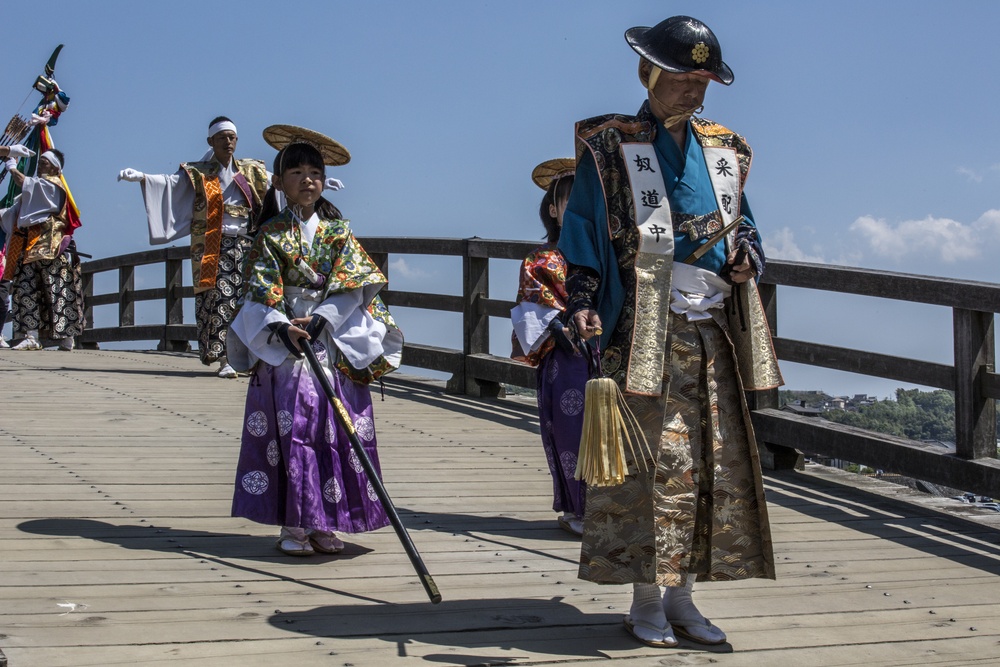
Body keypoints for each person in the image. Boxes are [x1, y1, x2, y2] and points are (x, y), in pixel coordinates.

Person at [558, 16, 783, 648]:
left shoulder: (725, 150)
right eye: (686, 77)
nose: (696, 91)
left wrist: (748, 261)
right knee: (648, 467)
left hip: (711, 334)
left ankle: (684, 595)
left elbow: (749, 230)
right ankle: (644, 597)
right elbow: (581, 236)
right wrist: (581, 300)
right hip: (644, 332)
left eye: (705, 79)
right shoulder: (612, 148)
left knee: (707, 464)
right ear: (650, 72)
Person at [228, 126, 403, 556]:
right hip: (287, 342)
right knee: (296, 428)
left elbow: (353, 284)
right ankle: (294, 524)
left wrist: (324, 315)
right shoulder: (269, 233)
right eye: (296, 172)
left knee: (335, 429)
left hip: (331, 338)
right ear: (278, 182)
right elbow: (258, 288)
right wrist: (282, 326)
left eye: (315, 172)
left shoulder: (338, 231)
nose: (307, 180)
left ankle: (325, 521)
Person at [118, 117, 270, 378]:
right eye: (221, 137)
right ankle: (225, 358)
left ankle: (252, 357)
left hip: (247, 244)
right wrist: (143, 178)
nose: (228, 141)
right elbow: (170, 183)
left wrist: (319, 182)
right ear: (211, 141)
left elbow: (279, 182)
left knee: (249, 300)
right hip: (215, 244)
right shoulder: (198, 172)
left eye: (232, 136)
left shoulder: (251, 170)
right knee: (221, 298)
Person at [510, 158, 595, 536]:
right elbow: (532, 307)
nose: (577, 208)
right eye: (568, 201)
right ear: (553, 209)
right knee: (570, 429)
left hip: (608, 349)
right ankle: (577, 507)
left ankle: (612, 506)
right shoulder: (540, 259)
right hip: (566, 355)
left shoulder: (606, 255)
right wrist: (557, 325)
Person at [0, 147, 86, 351]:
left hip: (51, 247)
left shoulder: (53, 186)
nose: (39, 166)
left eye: (44, 163)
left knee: (57, 291)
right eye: (39, 163)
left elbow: (24, 183)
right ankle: (31, 336)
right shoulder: (34, 193)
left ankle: (67, 337)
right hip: (29, 247)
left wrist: (12, 165)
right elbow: (13, 214)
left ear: (56, 168)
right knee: (26, 290)